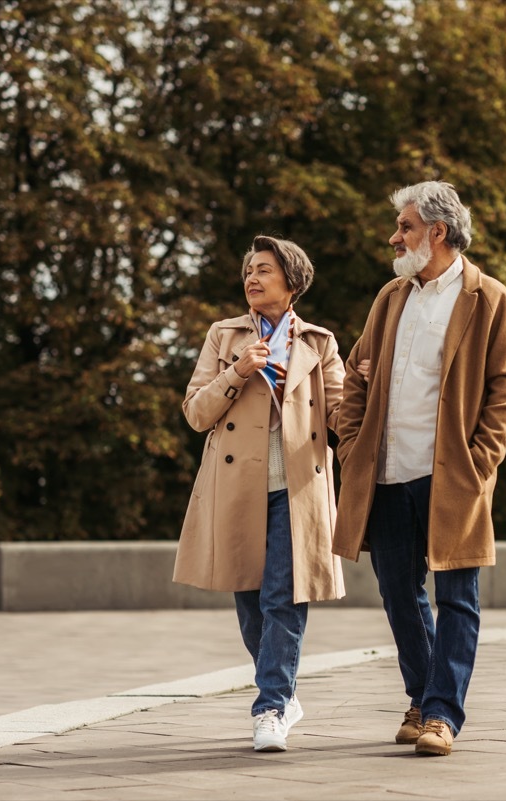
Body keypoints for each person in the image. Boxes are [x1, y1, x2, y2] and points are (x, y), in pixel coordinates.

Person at [333, 181, 506, 756]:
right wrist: (351, 447)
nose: (395, 238)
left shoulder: (488, 297)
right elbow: (356, 376)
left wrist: (480, 462)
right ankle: (422, 697)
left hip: (452, 477)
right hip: (386, 473)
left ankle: (442, 715)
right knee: (399, 594)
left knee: (457, 596)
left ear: (437, 232)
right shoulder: (391, 297)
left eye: (405, 228)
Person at [174, 235, 345, 752]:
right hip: (236, 488)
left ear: (292, 283)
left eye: (264, 270)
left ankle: (270, 706)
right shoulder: (223, 336)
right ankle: (283, 690)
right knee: (250, 602)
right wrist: (238, 371)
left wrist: (366, 411)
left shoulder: (320, 343)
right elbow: (196, 412)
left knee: (282, 599)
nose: (251, 277)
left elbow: (338, 414)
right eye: (248, 269)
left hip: (297, 488)